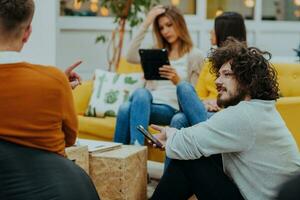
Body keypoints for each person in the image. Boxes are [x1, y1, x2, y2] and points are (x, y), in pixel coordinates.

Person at [149, 38, 300, 200]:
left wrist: (170, 134)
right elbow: (196, 140)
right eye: (218, 75)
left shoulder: (244, 115)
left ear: (248, 80)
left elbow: (188, 144)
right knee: (201, 153)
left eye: (226, 74)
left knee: (190, 162)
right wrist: (172, 134)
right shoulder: (259, 109)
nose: (217, 81)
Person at [0, 0, 99, 199]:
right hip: (58, 188)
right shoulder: (53, 79)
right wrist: (56, 87)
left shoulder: (55, 81)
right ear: (27, 32)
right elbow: (69, 139)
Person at [163, 11, 247, 169]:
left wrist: (218, 102)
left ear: (224, 31)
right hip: (203, 110)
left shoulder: (244, 62)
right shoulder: (210, 62)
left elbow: (243, 98)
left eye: (213, 29)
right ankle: (174, 175)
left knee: (179, 117)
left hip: (224, 113)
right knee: (184, 91)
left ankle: (208, 156)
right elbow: (197, 95)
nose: (210, 32)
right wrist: (204, 102)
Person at [114, 5, 204, 145]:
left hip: (170, 109)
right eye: (161, 28)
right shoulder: (157, 52)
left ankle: (135, 150)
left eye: (169, 25)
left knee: (126, 108)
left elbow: (193, 97)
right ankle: (123, 155)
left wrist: (177, 80)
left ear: (179, 23)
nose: (165, 31)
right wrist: (147, 22)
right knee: (138, 97)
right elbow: (131, 56)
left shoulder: (194, 55)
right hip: (145, 102)